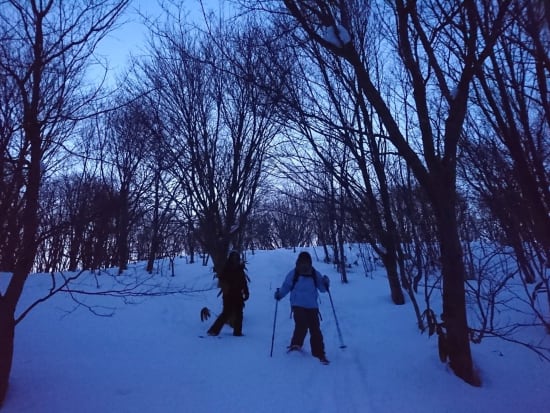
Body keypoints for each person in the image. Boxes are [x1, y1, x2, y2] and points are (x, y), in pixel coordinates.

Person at [274, 251, 330, 364]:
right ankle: (296, 344)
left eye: (306, 262)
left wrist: (325, 283)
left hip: (312, 306)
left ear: (309, 262)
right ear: (298, 262)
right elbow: (286, 286)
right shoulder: (294, 274)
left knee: (315, 328)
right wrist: (280, 294)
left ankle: (319, 352)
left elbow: (323, 289)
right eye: (302, 262)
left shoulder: (314, 274)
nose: (304, 264)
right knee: (302, 324)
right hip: (297, 304)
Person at [207, 251, 250, 336]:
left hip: (238, 295)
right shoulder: (227, 269)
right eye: (233, 258)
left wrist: (246, 292)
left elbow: (244, 282)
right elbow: (222, 280)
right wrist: (227, 288)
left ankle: (237, 332)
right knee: (226, 313)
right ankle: (213, 331)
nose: (235, 260)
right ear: (231, 259)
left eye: (236, 258)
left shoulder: (240, 269)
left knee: (239, 314)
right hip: (228, 295)